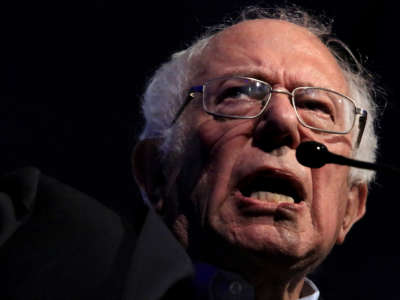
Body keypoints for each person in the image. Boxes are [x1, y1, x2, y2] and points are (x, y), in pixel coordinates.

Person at [0, 5, 378, 300]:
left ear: (350, 206)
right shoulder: (35, 240)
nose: (282, 121)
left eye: (316, 106)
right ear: (157, 173)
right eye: (238, 93)